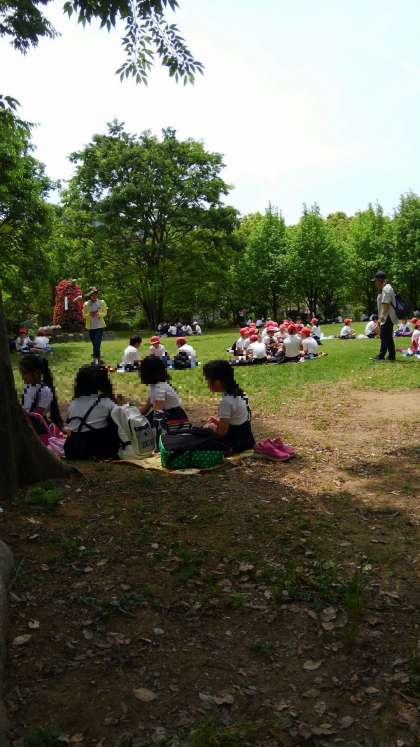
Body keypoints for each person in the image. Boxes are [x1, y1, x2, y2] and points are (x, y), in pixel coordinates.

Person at [64, 365, 120, 460]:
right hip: (97, 449)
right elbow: (120, 418)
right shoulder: (106, 403)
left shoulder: (73, 403)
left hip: (73, 449)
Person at [203, 360, 255, 454]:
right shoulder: (241, 393)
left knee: (207, 429)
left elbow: (222, 433)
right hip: (247, 440)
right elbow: (237, 420)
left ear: (217, 382)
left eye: (208, 380)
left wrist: (211, 429)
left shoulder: (226, 401)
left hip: (235, 444)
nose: (207, 383)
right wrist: (218, 422)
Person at [139, 356, 189, 434]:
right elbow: (147, 407)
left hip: (173, 419)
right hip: (169, 416)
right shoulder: (155, 386)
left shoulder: (159, 388)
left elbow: (158, 413)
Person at [20, 354, 63, 430]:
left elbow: (36, 417)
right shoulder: (28, 387)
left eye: (25, 373)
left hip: (37, 430)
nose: (23, 377)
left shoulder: (45, 391)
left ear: (37, 373)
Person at [372, 271, 397, 361]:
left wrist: (381, 316)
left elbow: (386, 303)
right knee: (388, 336)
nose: (374, 283)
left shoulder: (386, 289)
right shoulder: (385, 288)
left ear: (379, 280)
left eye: (375, 281)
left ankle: (381, 355)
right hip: (387, 315)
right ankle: (391, 355)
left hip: (387, 316)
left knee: (384, 335)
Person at [83, 287, 108, 362]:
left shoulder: (102, 302)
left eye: (95, 294)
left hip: (99, 326)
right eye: (92, 295)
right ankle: (98, 357)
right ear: (90, 296)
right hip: (91, 327)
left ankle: (95, 357)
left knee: (97, 342)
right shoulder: (86, 304)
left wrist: (98, 314)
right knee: (94, 344)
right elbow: (84, 315)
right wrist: (89, 314)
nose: (94, 296)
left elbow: (105, 313)